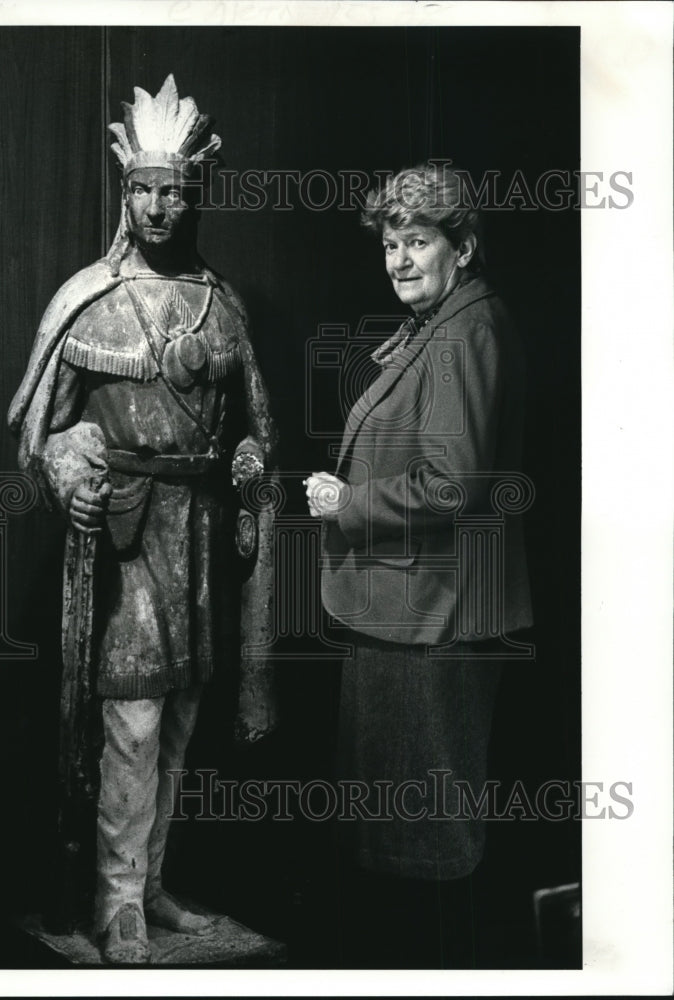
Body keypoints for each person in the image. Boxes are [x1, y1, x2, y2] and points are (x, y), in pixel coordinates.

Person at [8, 76, 276, 964]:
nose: (158, 207)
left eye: (174, 192)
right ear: (125, 195)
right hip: (126, 536)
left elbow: (254, 431)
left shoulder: (220, 302)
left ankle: (154, 885)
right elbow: (40, 433)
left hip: (195, 536)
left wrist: (247, 464)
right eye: (144, 190)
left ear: (192, 197)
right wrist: (68, 464)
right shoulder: (90, 298)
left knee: (184, 718)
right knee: (132, 721)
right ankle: (116, 899)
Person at [306, 162, 533, 967]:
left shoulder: (466, 334)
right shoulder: (447, 325)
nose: (400, 259)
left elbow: (451, 485)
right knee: (408, 837)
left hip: (432, 621)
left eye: (420, 241)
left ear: (463, 247)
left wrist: (346, 503)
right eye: (392, 243)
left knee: (423, 844)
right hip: (413, 614)